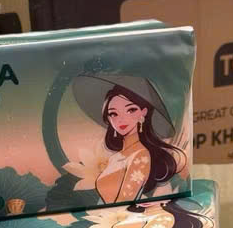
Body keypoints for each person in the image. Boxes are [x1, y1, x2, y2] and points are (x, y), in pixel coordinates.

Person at [71, 74, 187, 205]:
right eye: (113, 113)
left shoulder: (140, 155)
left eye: (131, 110)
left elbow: (125, 203)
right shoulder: (117, 156)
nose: (121, 119)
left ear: (144, 112)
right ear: (108, 118)